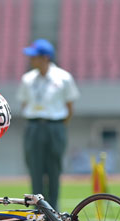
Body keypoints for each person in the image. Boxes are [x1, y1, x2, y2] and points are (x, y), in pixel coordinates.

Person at [17, 39, 80, 210]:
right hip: (34, 126)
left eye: (34, 56)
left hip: (55, 126)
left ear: (45, 58)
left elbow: (69, 107)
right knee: (34, 167)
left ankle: (53, 207)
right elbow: (24, 104)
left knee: (54, 168)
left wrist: (58, 126)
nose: (31, 60)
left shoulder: (64, 78)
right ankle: (38, 207)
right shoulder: (27, 79)